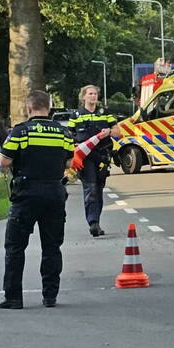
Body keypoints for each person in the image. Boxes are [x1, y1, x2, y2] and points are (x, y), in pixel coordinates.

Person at [0, 90, 76, 309]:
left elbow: (4, 161)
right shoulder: (63, 132)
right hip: (54, 193)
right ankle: (50, 296)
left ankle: (13, 298)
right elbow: (69, 163)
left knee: (15, 247)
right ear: (49, 109)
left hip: (27, 194)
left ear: (29, 108)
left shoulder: (21, 132)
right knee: (52, 246)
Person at [69, 85, 121, 237]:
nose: (93, 96)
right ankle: (93, 222)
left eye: (95, 94)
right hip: (85, 158)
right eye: (90, 94)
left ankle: (96, 221)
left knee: (98, 189)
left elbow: (118, 132)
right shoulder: (76, 115)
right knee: (90, 188)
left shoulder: (105, 113)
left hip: (101, 157)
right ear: (83, 96)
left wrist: (109, 131)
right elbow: (69, 135)